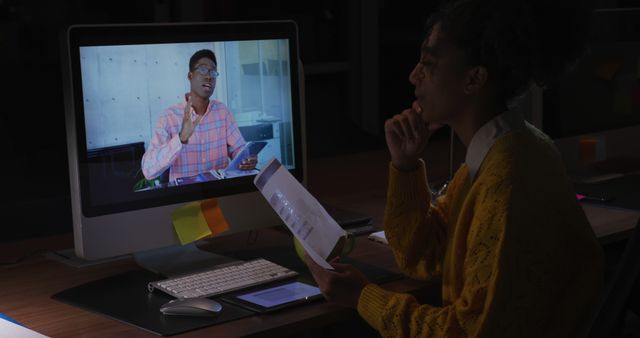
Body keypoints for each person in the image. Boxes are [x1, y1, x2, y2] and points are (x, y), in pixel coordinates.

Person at [305, 0, 604, 337]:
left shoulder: (508, 177)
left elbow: (464, 332)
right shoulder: (501, 150)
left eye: (429, 63)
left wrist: (362, 297)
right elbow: (423, 257)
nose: (413, 75)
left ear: (473, 79)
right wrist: (404, 167)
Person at [141, 49, 256, 183]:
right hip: (186, 198)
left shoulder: (222, 112)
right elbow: (148, 170)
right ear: (190, 76)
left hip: (221, 193)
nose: (209, 76)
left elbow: (238, 150)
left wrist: (246, 159)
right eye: (202, 70)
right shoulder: (168, 117)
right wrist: (180, 139)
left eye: (213, 72)